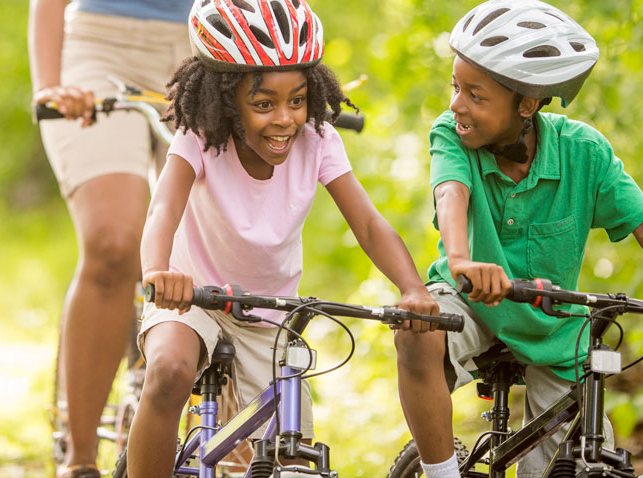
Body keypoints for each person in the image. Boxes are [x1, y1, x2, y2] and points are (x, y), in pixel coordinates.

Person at [393, 1, 643, 477]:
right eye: (456, 87)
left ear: (527, 104)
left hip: (554, 325)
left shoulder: (583, 152)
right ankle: (440, 472)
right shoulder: (452, 135)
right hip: (469, 303)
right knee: (418, 330)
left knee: (581, 461)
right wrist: (460, 261)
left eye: (475, 95)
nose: (457, 104)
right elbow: (450, 191)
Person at [127, 0, 439, 477]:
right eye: (263, 104)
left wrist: (412, 287)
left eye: (297, 100)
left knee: (292, 454)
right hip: (189, 296)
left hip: (267, 313)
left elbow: (370, 225)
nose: (285, 119)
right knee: (168, 370)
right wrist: (157, 273)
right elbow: (164, 208)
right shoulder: (200, 135)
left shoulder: (317, 139)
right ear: (225, 100)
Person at [28, 1, 192, 477]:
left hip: (206, 45)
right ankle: (79, 459)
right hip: (100, 46)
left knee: (203, 243)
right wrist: (49, 84)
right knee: (113, 242)